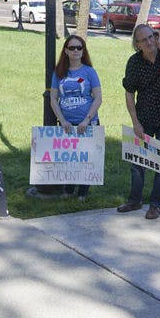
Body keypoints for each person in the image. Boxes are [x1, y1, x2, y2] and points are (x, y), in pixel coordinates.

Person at [120, 24, 160, 220]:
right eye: (143, 40)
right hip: (144, 117)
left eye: (150, 37)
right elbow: (129, 93)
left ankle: (155, 204)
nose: (149, 42)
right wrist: (135, 122)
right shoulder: (134, 62)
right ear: (137, 44)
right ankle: (135, 199)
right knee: (138, 162)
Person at [49, 34, 102, 201]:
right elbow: (53, 98)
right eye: (72, 47)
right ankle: (68, 189)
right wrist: (62, 120)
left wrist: (87, 119)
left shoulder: (89, 72)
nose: (76, 51)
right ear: (65, 50)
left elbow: (98, 98)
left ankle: (83, 193)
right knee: (69, 158)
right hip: (67, 124)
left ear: (83, 50)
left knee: (85, 158)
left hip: (87, 123)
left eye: (79, 47)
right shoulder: (59, 73)